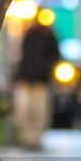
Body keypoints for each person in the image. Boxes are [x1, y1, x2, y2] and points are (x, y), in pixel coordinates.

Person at [13, 13, 60, 150]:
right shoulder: (27, 33)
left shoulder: (49, 36)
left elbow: (55, 56)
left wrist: (44, 68)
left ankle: (35, 138)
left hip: (40, 80)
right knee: (24, 110)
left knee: (39, 110)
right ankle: (27, 137)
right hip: (26, 78)